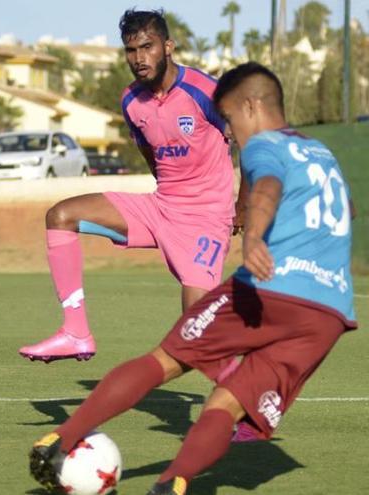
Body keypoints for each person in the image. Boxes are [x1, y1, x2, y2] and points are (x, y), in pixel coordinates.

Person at [29, 62, 357, 495]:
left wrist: (255, 235)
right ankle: (173, 485)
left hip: (277, 288)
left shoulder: (263, 145)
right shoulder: (321, 152)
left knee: (164, 360)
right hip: (330, 313)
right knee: (227, 401)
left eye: (233, 121)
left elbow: (266, 188)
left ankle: (59, 440)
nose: (233, 135)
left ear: (252, 106)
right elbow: (347, 212)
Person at [19, 9, 241, 363]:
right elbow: (148, 151)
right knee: (60, 216)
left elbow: (249, 139)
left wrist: (242, 206)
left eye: (147, 47)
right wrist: (165, 194)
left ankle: (244, 407)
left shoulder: (204, 91)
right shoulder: (130, 100)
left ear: (168, 47)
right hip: (161, 207)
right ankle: (76, 332)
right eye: (130, 50)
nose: (138, 58)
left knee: (197, 335)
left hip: (205, 220)